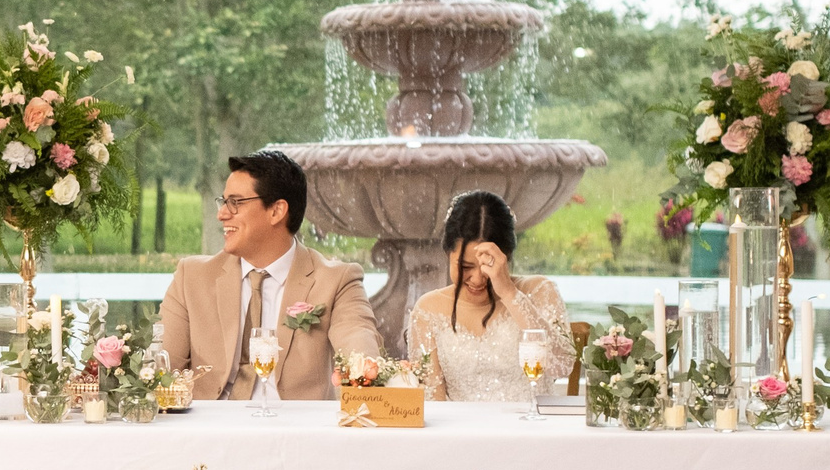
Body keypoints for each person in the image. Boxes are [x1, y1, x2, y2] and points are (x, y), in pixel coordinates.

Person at [159, 151, 380, 402]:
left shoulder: (337, 281)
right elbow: (160, 368)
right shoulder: (191, 277)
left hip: (295, 424)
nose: (222, 214)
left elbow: (360, 354)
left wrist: (362, 372)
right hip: (208, 422)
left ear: (276, 211)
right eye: (224, 202)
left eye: (236, 202)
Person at [406, 190, 577, 402]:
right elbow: (433, 402)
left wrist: (509, 292)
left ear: (507, 257)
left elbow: (562, 366)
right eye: (465, 266)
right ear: (447, 254)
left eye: (490, 265)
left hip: (532, 421)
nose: (477, 279)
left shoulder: (539, 291)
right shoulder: (428, 310)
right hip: (458, 424)